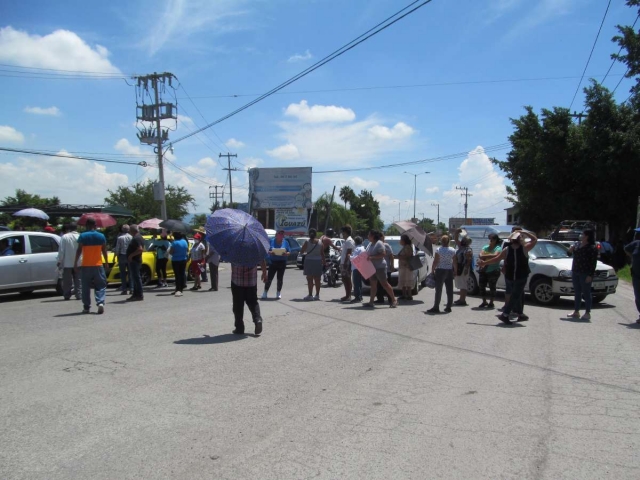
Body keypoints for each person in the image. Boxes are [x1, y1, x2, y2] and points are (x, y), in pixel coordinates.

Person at [478, 230, 537, 324]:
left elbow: (496, 259)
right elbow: (534, 239)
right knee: (515, 296)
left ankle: (520, 314)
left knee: (515, 295)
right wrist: (523, 232)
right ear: (520, 239)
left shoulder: (507, 249)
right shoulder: (524, 248)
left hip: (510, 276)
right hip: (520, 276)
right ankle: (505, 314)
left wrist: (484, 263)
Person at [74, 217, 108, 314]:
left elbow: (79, 250)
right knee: (101, 285)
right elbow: (104, 250)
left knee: (85, 287)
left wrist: (75, 263)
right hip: (98, 264)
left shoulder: (83, 236)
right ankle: (100, 302)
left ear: (87, 225)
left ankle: (86, 307)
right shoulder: (101, 236)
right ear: (95, 225)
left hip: (86, 265)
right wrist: (105, 262)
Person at [567, 229, 599, 320]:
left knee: (586, 292)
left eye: (583, 234)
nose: (581, 235)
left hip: (585, 273)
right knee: (577, 292)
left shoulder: (592, 248)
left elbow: (593, 263)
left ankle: (587, 313)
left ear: (587, 236)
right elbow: (568, 254)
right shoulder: (578, 245)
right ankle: (576, 311)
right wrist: (571, 249)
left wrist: (590, 275)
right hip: (576, 271)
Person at [231, 259, 267, 335]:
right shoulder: (255, 249)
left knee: (238, 305)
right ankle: (258, 320)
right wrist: (264, 272)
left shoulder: (234, 249)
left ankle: (239, 327)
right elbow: (261, 259)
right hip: (251, 281)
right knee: (253, 302)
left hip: (237, 281)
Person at [363, 229, 397, 308]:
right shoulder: (370, 244)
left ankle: (394, 300)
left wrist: (372, 257)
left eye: (369, 235)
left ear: (373, 236)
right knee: (373, 285)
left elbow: (383, 254)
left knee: (384, 284)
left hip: (380, 267)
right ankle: (371, 302)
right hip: (372, 268)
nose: (368, 236)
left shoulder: (379, 243)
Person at [427, 235, 457, 314]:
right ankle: (448, 306)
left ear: (442, 241)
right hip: (449, 270)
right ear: (448, 241)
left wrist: (432, 270)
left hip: (440, 270)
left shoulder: (439, 250)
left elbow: (436, 261)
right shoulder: (452, 250)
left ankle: (436, 306)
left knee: (438, 290)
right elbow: (454, 261)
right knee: (449, 289)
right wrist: (455, 270)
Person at [262, 229, 290, 299]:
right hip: (273, 262)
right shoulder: (271, 241)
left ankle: (278, 292)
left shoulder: (285, 242)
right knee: (269, 278)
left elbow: (289, 251)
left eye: (282, 234)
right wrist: (270, 252)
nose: (281, 235)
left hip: (282, 262)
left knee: (280, 278)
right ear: (276, 235)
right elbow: (266, 249)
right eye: (279, 234)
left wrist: (286, 254)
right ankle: (265, 292)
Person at [57, 222, 82, 300]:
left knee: (67, 280)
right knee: (78, 279)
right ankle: (79, 294)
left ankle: (67, 295)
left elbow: (61, 250)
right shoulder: (80, 236)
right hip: (79, 262)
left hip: (67, 262)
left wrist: (59, 260)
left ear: (68, 229)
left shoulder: (64, 237)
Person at [478, 233, 502, 308]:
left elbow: (496, 255)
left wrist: (484, 256)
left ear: (496, 240)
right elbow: (480, 254)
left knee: (492, 287)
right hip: (484, 269)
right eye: (490, 239)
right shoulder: (485, 247)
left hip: (493, 270)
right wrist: (484, 256)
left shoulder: (498, 248)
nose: (491, 240)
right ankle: (484, 301)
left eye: (493, 239)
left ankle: (491, 302)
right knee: (481, 286)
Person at [301, 228, 324, 300]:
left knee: (309, 278)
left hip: (309, 261)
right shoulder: (320, 242)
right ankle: (317, 295)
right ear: (316, 234)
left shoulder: (306, 242)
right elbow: (322, 253)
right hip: (318, 261)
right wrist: (324, 262)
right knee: (317, 279)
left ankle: (310, 295)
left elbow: (302, 251)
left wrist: (306, 253)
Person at [453, 229, 473, 306]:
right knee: (461, 284)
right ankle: (461, 299)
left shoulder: (468, 249)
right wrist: (457, 233)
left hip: (464, 268)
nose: (462, 241)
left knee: (463, 284)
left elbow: (469, 260)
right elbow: (456, 239)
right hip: (459, 267)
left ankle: (463, 300)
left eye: (464, 240)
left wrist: (466, 269)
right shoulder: (461, 247)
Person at [624, 227, 640, 324]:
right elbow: (626, 249)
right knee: (638, 296)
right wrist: (632, 258)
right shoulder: (636, 243)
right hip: (636, 274)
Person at [126, 224, 145, 302]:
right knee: (135, 277)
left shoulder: (137, 238)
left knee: (136, 278)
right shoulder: (139, 237)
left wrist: (131, 256)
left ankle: (139, 294)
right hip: (136, 260)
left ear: (133, 231)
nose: (129, 232)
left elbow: (140, 249)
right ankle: (135, 294)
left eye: (130, 230)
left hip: (135, 261)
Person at [375, 234, 395, 305]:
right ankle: (380, 299)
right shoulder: (376, 245)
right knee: (379, 284)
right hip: (378, 267)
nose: (380, 239)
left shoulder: (386, 245)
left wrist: (392, 266)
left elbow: (391, 256)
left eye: (381, 238)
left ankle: (391, 300)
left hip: (386, 268)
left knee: (387, 283)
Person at [168, 232, 188, 297]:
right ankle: (181, 288)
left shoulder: (174, 243)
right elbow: (187, 250)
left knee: (177, 275)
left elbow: (171, 252)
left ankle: (178, 289)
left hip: (176, 260)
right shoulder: (184, 241)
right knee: (182, 274)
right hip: (183, 259)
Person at [114, 225, 133, 295]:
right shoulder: (131, 237)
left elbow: (117, 248)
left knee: (122, 273)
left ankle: (124, 289)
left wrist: (116, 255)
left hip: (122, 255)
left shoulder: (120, 238)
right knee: (130, 273)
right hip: (129, 255)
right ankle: (131, 288)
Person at [339, 225, 355, 302]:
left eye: (343, 232)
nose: (342, 234)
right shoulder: (346, 241)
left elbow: (349, 252)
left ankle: (348, 296)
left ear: (345, 232)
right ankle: (347, 295)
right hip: (343, 262)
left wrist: (345, 263)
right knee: (344, 279)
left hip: (347, 263)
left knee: (347, 279)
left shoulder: (349, 241)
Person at [396, 234, 414, 301]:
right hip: (403, 267)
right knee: (403, 280)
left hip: (407, 267)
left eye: (401, 240)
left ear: (404, 240)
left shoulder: (407, 247)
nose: (400, 241)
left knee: (407, 281)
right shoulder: (404, 247)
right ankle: (404, 295)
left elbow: (408, 256)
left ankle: (409, 295)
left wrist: (399, 257)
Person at [350, 236, 365, 303]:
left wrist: (349, 256)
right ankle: (360, 296)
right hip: (361, 267)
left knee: (356, 283)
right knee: (359, 283)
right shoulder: (363, 248)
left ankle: (357, 297)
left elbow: (354, 258)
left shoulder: (357, 249)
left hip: (356, 268)